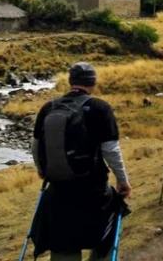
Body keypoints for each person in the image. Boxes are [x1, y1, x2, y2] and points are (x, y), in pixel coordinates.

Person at [31, 62, 132, 261]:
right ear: (92, 82)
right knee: (113, 218)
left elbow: (35, 147)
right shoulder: (100, 108)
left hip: (58, 189)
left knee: (63, 242)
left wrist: (42, 170)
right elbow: (110, 150)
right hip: (93, 189)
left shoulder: (48, 108)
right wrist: (123, 180)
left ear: (70, 81)